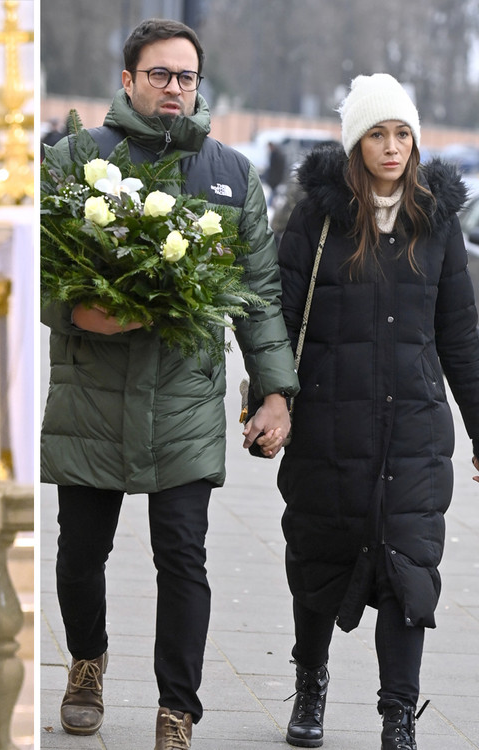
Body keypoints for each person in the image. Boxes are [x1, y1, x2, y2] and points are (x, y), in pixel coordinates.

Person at [39, 18, 299, 749]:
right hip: (92, 396)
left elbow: (259, 294)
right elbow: (38, 269)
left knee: (182, 555)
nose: (174, 88)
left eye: (186, 77)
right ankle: (87, 661)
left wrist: (274, 391)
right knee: (80, 553)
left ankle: (176, 707)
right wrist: (79, 310)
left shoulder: (230, 173)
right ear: (128, 81)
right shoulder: (73, 161)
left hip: (184, 401)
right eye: (160, 75)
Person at [276, 74, 479, 750]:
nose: (391, 147)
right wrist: (269, 398)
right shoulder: (319, 215)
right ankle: (311, 679)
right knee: (317, 556)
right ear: (355, 142)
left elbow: (460, 335)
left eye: (402, 133)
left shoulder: (437, 220)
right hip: (329, 425)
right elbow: (278, 318)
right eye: (376, 134)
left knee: (409, 566)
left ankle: (399, 715)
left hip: (416, 431)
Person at [266, 140, 288, 205]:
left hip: (275, 178)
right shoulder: (278, 153)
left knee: (274, 193)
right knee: (275, 192)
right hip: (276, 177)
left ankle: (271, 204)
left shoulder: (276, 154)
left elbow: (274, 168)